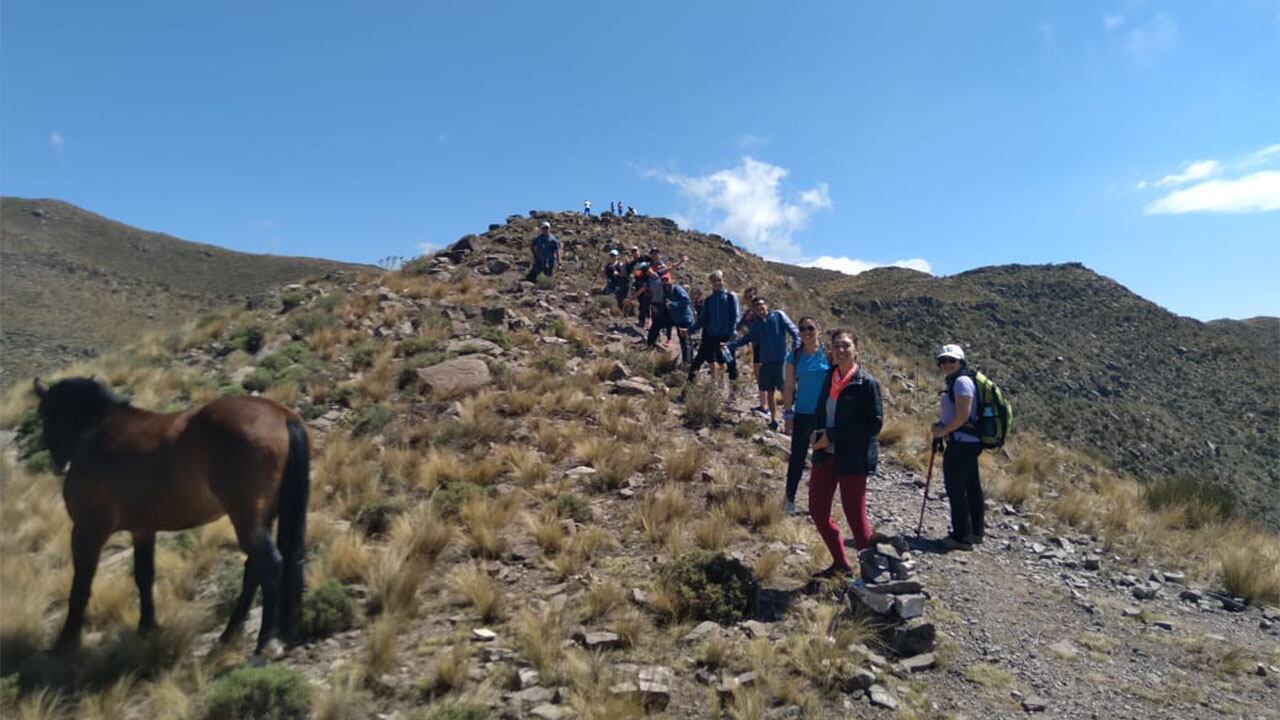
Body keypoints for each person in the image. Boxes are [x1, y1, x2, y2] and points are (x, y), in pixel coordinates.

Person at [809, 329, 883, 577]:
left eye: (846, 346)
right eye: (836, 346)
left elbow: (874, 425)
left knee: (856, 519)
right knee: (818, 512)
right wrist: (817, 433)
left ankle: (872, 576)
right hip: (825, 456)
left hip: (853, 459)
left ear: (856, 350)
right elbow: (822, 412)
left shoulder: (866, 383)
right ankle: (841, 563)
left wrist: (832, 435)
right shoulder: (829, 377)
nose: (841, 351)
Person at [932, 344, 984, 551]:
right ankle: (976, 532)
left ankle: (962, 537)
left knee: (956, 490)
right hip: (968, 443)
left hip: (961, 443)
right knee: (971, 487)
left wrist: (942, 432)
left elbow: (963, 415)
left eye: (951, 361)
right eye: (943, 361)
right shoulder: (961, 380)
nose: (946, 364)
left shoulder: (961, 382)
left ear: (961, 362)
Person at [780, 317, 831, 515]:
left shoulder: (827, 354)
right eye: (802, 329)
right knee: (798, 458)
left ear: (818, 329)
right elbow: (789, 386)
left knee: (823, 459)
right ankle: (790, 498)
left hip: (824, 414)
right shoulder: (795, 356)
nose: (807, 332)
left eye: (811, 328)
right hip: (802, 413)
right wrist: (787, 414)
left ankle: (819, 502)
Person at [727, 296, 800, 431]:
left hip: (781, 361)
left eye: (761, 305)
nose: (759, 309)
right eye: (756, 308)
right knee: (769, 392)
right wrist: (730, 346)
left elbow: (795, 332)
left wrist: (795, 351)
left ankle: (790, 421)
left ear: (767, 305)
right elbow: (746, 339)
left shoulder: (778, 316)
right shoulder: (757, 325)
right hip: (766, 362)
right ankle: (773, 420)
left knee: (785, 392)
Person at [687, 270, 740, 387]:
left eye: (719, 280)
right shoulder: (709, 300)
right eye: (714, 281)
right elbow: (702, 320)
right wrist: (690, 330)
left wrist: (733, 332)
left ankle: (733, 392)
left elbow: (736, 316)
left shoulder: (731, 297)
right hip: (710, 336)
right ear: (711, 282)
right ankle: (687, 390)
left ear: (723, 280)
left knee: (731, 363)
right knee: (697, 361)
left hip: (726, 336)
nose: (717, 283)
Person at [649, 273, 692, 364]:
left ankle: (687, 363)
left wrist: (673, 304)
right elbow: (665, 303)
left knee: (685, 341)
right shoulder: (666, 290)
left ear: (671, 280)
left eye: (667, 280)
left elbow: (687, 301)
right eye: (663, 281)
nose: (665, 283)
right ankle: (650, 346)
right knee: (657, 324)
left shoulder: (677, 289)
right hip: (674, 318)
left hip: (684, 318)